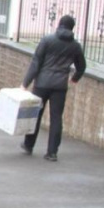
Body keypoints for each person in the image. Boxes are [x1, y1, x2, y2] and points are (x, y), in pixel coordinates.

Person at [21, 14, 86, 162]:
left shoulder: (47, 40)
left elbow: (36, 62)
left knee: (35, 115)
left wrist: (25, 83)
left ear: (59, 24)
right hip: (60, 86)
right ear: (72, 28)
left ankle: (28, 145)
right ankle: (52, 153)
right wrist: (74, 79)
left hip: (42, 84)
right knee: (56, 118)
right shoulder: (75, 46)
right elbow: (81, 67)